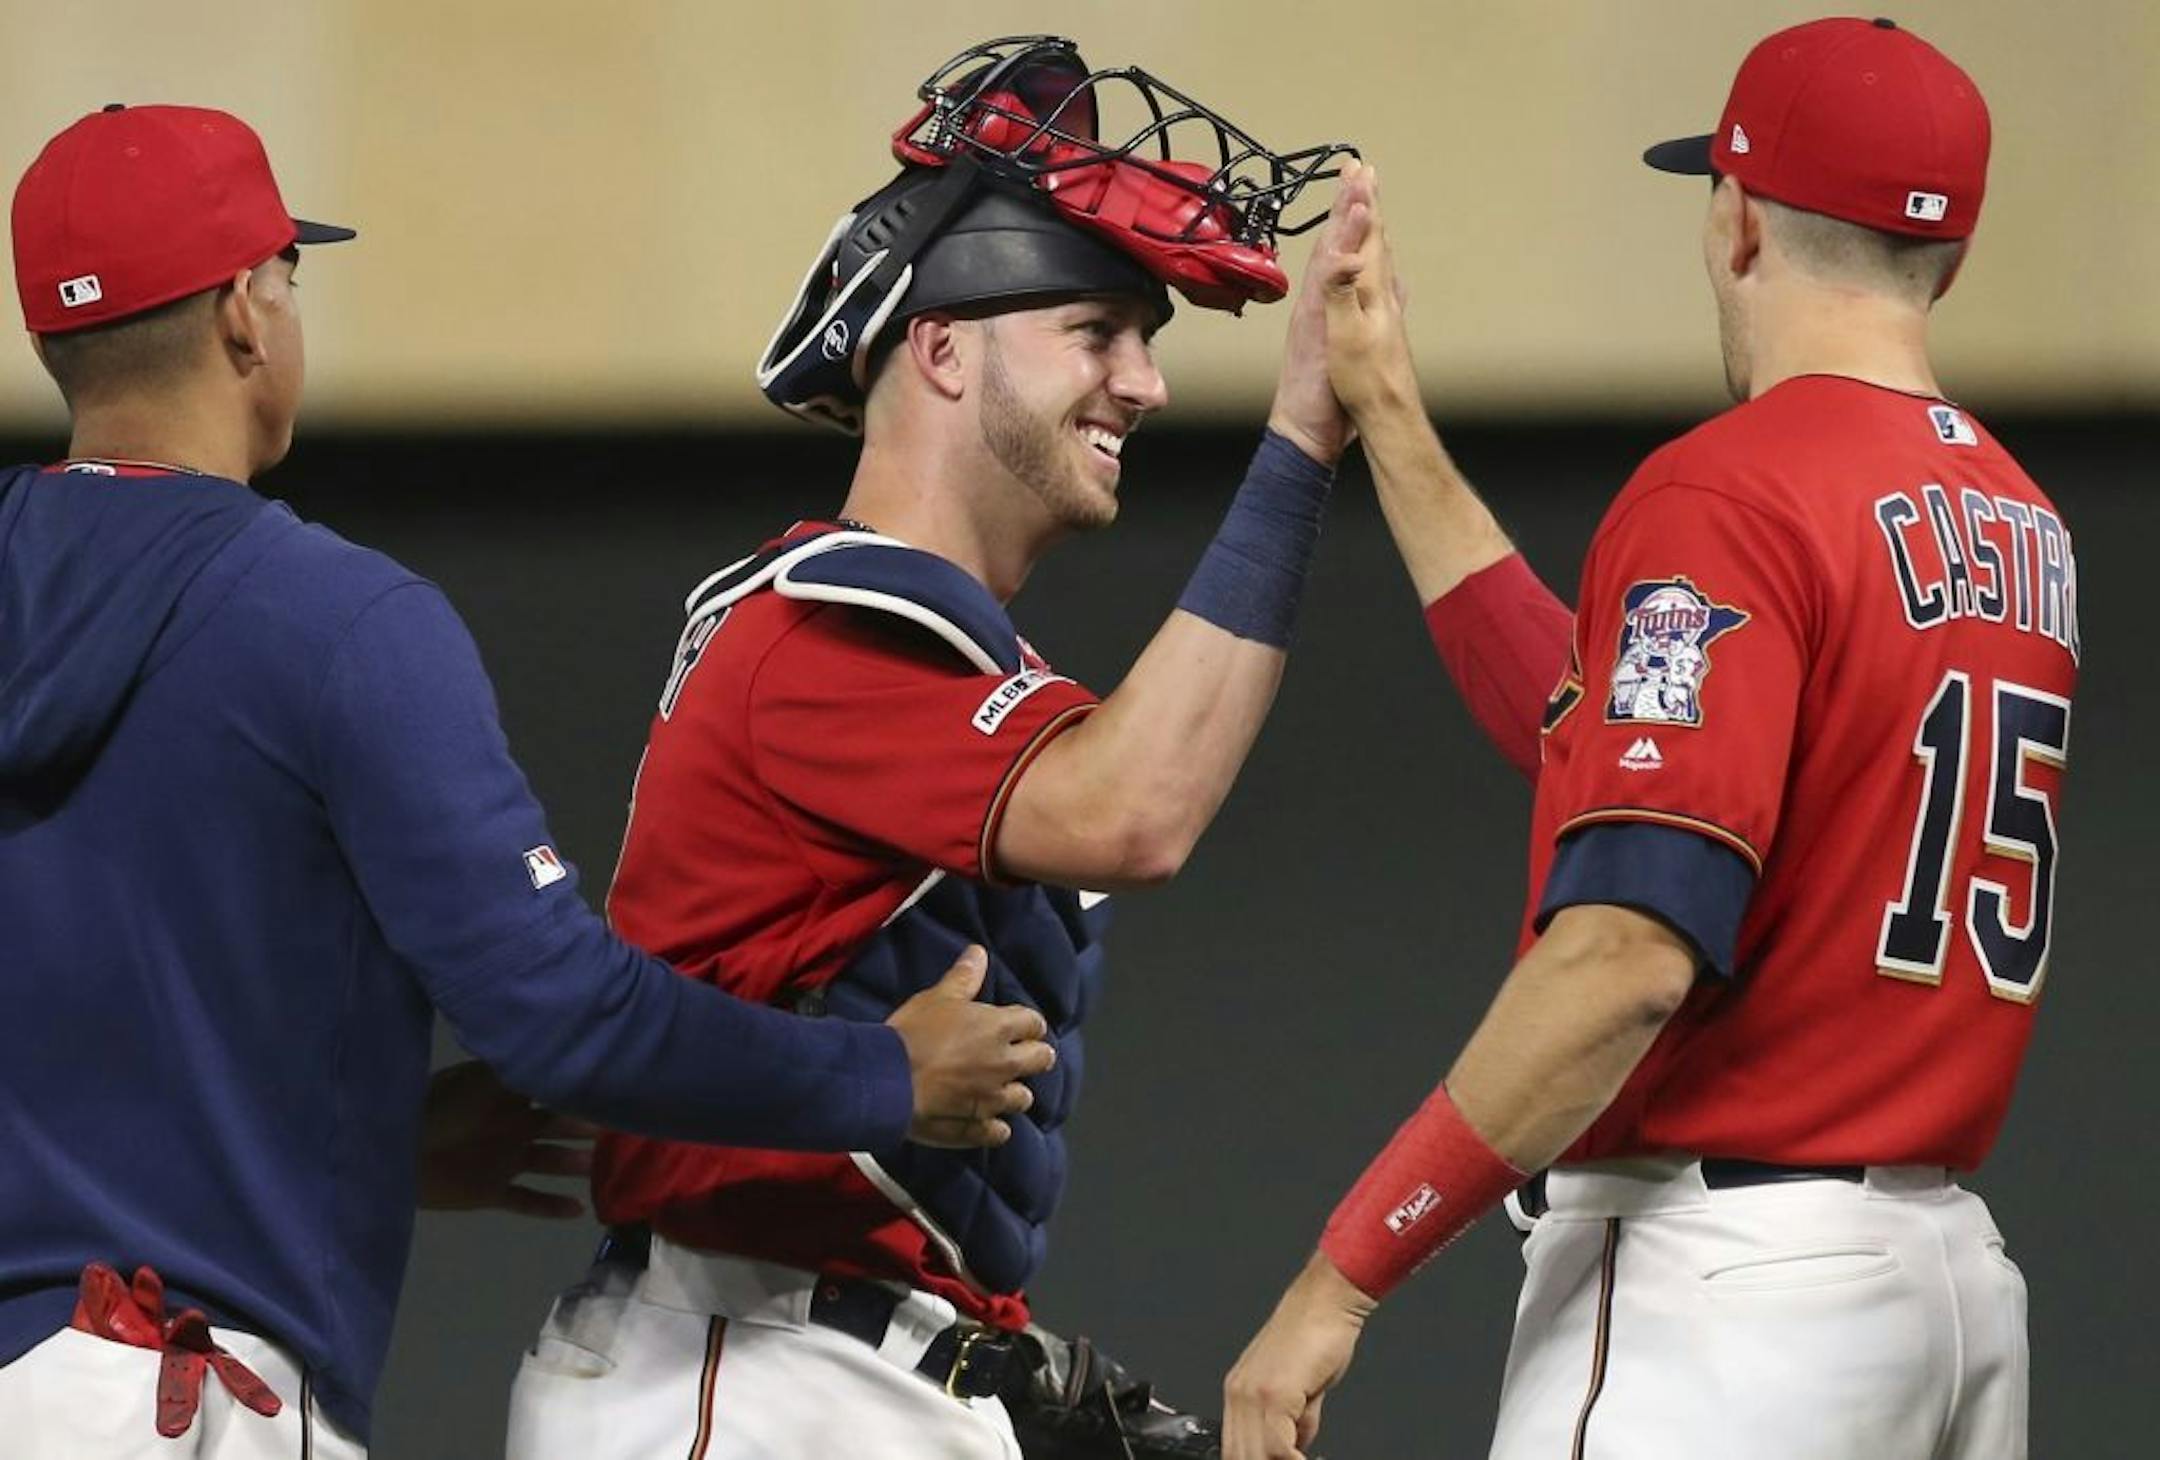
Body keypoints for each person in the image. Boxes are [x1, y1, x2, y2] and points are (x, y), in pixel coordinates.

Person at [0, 103, 1052, 1460]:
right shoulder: (330, 620)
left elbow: (98, 1022)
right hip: (167, 1401)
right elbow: (560, 1015)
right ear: (246, 312)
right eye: (289, 279)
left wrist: (373, 1139)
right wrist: (878, 1076)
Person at [1225, 19, 2069, 1459]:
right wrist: (1392, 417)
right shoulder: (2021, 521)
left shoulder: (1731, 492)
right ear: (1951, 259)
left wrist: (1341, 1275)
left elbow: (1624, 956)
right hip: (1946, 1299)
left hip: (1726, 1295)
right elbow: (1601, 738)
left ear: (1739, 221)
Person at [504, 36, 1354, 1460]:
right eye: (1096, 330)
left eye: (1144, 339)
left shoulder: (954, 650)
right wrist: (1304, 439)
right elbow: (1138, 809)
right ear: (943, 349)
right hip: (743, 1361)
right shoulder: (830, 624)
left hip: (832, 1359)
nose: (1144, 384)